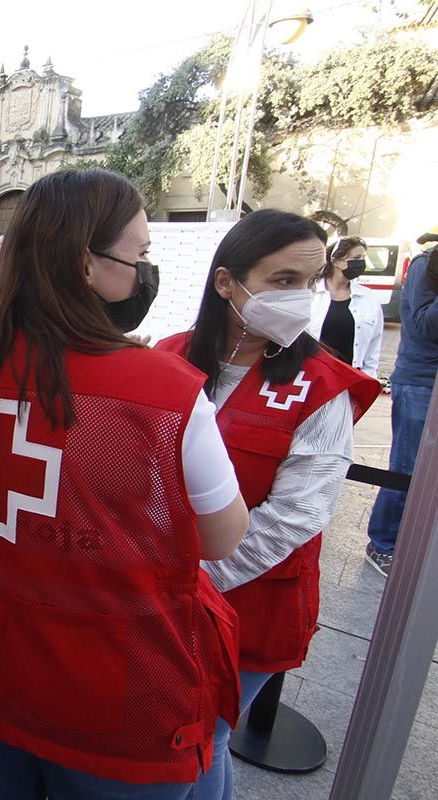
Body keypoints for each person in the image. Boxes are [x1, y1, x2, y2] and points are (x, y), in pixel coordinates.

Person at [0, 169, 249, 799]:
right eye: (139, 254)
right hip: (110, 684)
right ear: (86, 264)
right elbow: (221, 536)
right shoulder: (166, 393)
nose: (144, 269)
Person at [156, 209, 380, 789]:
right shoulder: (170, 356)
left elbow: (296, 515)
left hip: (250, 599)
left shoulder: (323, 387)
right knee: (167, 725)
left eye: (309, 283)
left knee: (209, 732)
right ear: (226, 282)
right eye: (283, 281)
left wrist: (194, 581)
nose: (300, 298)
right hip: (157, 587)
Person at [364, 240, 438, 575]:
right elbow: (422, 323)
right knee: (406, 468)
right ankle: (383, 543)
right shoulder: (427, 264)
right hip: (420, 381)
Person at [307, 236, 384, 378]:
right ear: (336, 261)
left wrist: (368, 377)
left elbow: (373, 346)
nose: (361, 263)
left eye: (363, 258)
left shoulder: (369, 298)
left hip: (349, 378)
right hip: (312, 376)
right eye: (356, 258)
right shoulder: (311, 293)